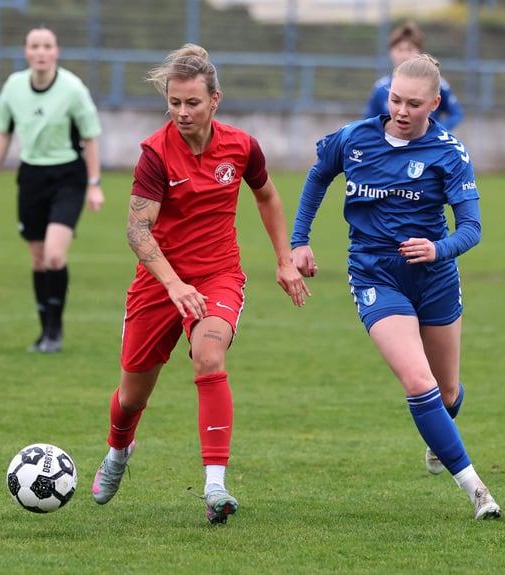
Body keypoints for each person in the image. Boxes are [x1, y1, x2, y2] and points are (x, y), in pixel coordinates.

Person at [91, 44, 309, 525]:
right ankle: (118, 453)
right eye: (174, 103)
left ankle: (215, 486)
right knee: (132, 397)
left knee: (209, 355)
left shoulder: (241, 146)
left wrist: (284, 259)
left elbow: (268, 195)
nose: (183, 113)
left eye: (192, 103)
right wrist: (171, 285)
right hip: (159, 283)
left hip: (219, 276)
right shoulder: (155, 153)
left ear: (215, 100)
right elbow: (136, 230)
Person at [292, 54, 501, 520]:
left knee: (446, 393)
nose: (401, 111)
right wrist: (299, 240)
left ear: (434, 104)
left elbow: (472, 227)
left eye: (412, 103)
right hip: (374, 273)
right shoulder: (355, 138)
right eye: (395, 100)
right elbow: (318, 175)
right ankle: (477, 490)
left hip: (435, 277)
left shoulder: (450, 151)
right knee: (417, 379)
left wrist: (438, 249)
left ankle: (439, 434)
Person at [0, 26, 104, 353]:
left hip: (68, 178)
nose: (41, 52)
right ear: (26, 51)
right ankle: (44, 331)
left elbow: (90, 137)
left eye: (47, 45)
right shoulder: (14, 87)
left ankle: (55, 331)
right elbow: (3, 134)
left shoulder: (73, 89)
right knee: (37, 259)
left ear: (56, 51)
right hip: (31, 177)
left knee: (54, 255)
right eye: (35, 46)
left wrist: (94, 184)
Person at [363, 20, 464, 131]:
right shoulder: (381, 87)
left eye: (410, 50)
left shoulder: (437, 84)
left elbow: (456, 114)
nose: (404, 55)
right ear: (391, 52)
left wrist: (435, 133)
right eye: (400, 50)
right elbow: (369, 122)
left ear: (419, 51)